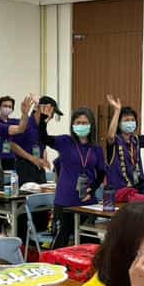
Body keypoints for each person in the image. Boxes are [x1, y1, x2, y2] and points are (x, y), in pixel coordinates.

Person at [40, 104, 106, 248]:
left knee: (88, 243)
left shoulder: (96, 148)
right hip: (65, 200)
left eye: (85, 123)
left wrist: (92, 189)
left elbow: (101, 173)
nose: (81, 126)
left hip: (87, 202)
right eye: (78, 122)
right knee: (60, 241)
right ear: (72, 125)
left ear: (91, 125)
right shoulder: (65, 141)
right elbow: (43, 138)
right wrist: (44, 120)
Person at [105, 96, 144, 190]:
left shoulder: (136, 140)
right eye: (126, 120)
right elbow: (110, 136)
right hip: (119, 191)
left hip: (136, 188)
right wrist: (117, 111)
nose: (130, 122)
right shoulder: (115, 141)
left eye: (132, 120)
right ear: (119, 124)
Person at [12, 96, 57, 185]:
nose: (51, 116)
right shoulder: (24, 123)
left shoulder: (42, 127)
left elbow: (42, 146)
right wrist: (32, 158)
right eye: (51, 112)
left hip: (39, 167)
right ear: (41, 108)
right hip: (25, 167)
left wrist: (44, 158)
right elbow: (12, 144)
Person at [0, 95, 19, 171]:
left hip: (11, 158)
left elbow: (28, 123)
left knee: (10, 177)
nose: (7, 108)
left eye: (10, 106)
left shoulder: (14, 122)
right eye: (5, 106)